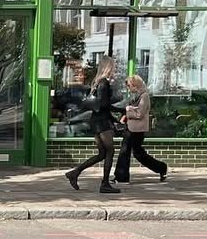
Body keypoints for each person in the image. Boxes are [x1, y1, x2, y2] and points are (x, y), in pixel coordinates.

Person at [65, 57, 121, 194]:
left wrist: (115, 118)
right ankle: (105, 184)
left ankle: (75, 172)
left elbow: (100, 105)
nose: (115, 69)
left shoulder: (96, 83)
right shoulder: (104, 83)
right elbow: (104, 105)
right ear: (108, 67)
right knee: (110, 151)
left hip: (96, 121)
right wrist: (121, 111)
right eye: (113, 66)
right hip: (102, 122)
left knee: (102, 153)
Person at [115, 74, 169, 184]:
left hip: (137, 130)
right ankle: (121, 177)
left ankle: (161, 167)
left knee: (136, 153)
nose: (129, 89)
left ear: (136, 85)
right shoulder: (134, 96)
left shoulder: (144, 96)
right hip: (130, 128)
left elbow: (140, 114)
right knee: (127, 151)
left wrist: (128, 110)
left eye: (130, 86)